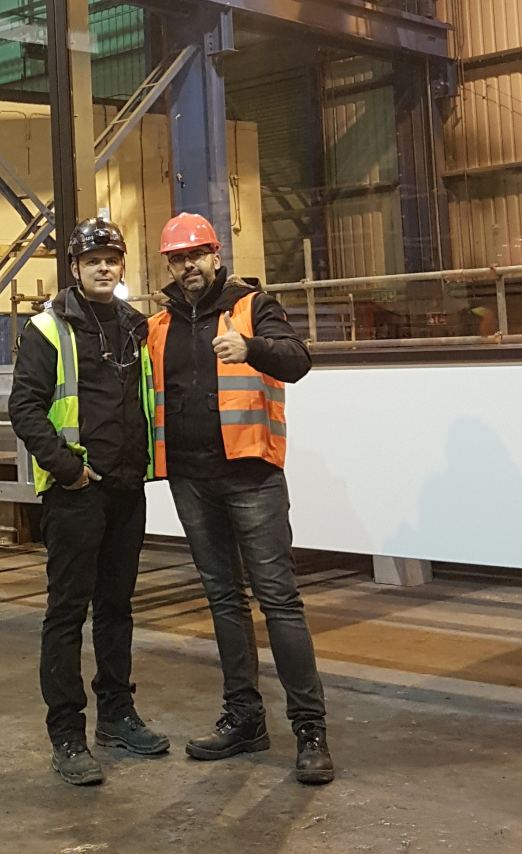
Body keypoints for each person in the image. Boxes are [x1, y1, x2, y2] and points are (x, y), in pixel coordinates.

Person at [145, 212, 334, 785]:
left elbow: (298, 361)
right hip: (191, 479)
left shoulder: (253, 306)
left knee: (278, 600)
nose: (188, 266)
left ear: (216, 255)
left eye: (196, 255)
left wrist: (250, 347)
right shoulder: (158, 325)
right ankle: (245, 719)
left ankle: (310, 731)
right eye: (178, 258)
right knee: (224, 600)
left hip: (251, 475)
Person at [8, 217, 170, 786]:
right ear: (75, 268)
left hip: (126, 489)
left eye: (112, 259)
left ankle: (117, 716)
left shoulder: (134, 327)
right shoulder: (47, 330)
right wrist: (68, 468)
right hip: (76, 494)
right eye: (93, 260)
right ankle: (67, 735)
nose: (104, 267)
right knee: (67, 612)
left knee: (117, 608)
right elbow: (24, 408)